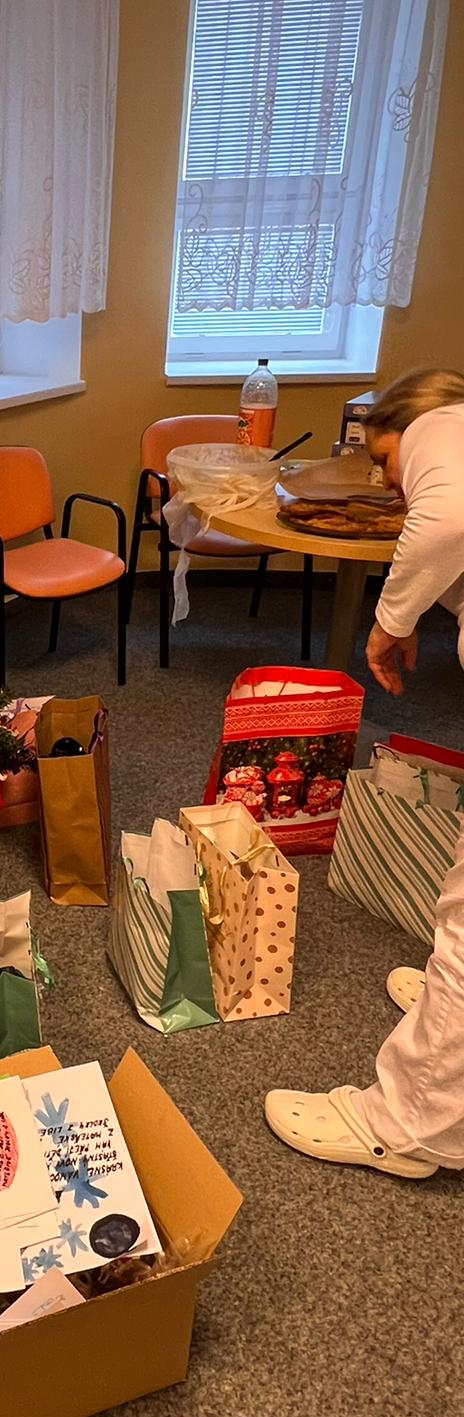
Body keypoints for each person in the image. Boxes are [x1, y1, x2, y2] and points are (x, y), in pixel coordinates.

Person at [266, 366, 464, 1179]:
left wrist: (389, 622)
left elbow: (447, 518)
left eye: (384, 459)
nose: (386, 479)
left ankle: (408, 1126)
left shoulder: (441, 428)